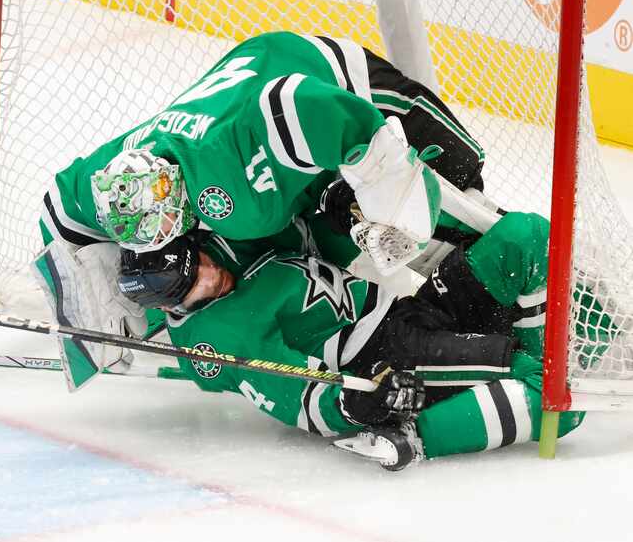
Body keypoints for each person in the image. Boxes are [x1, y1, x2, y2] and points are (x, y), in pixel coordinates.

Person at [109, 211, 595, 471]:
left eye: (200, 262)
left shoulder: (222, 245)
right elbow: (301, 403)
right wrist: (360, 407)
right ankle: (414, 437)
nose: (213, 275)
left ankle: (530, 361)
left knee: (524, 236)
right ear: (168, 304)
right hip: (386, 359)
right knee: (559, 396)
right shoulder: (218, 343)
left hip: (406, 311)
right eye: (197, 285)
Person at [39, 30, 489, 277]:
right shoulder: (116, 173)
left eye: (163, 227)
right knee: (365, 224)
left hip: (321, 74)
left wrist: (381, 173)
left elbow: (306, 103)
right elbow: (59, 207)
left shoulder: (226, 176)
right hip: (254, 97)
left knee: (461, 181)